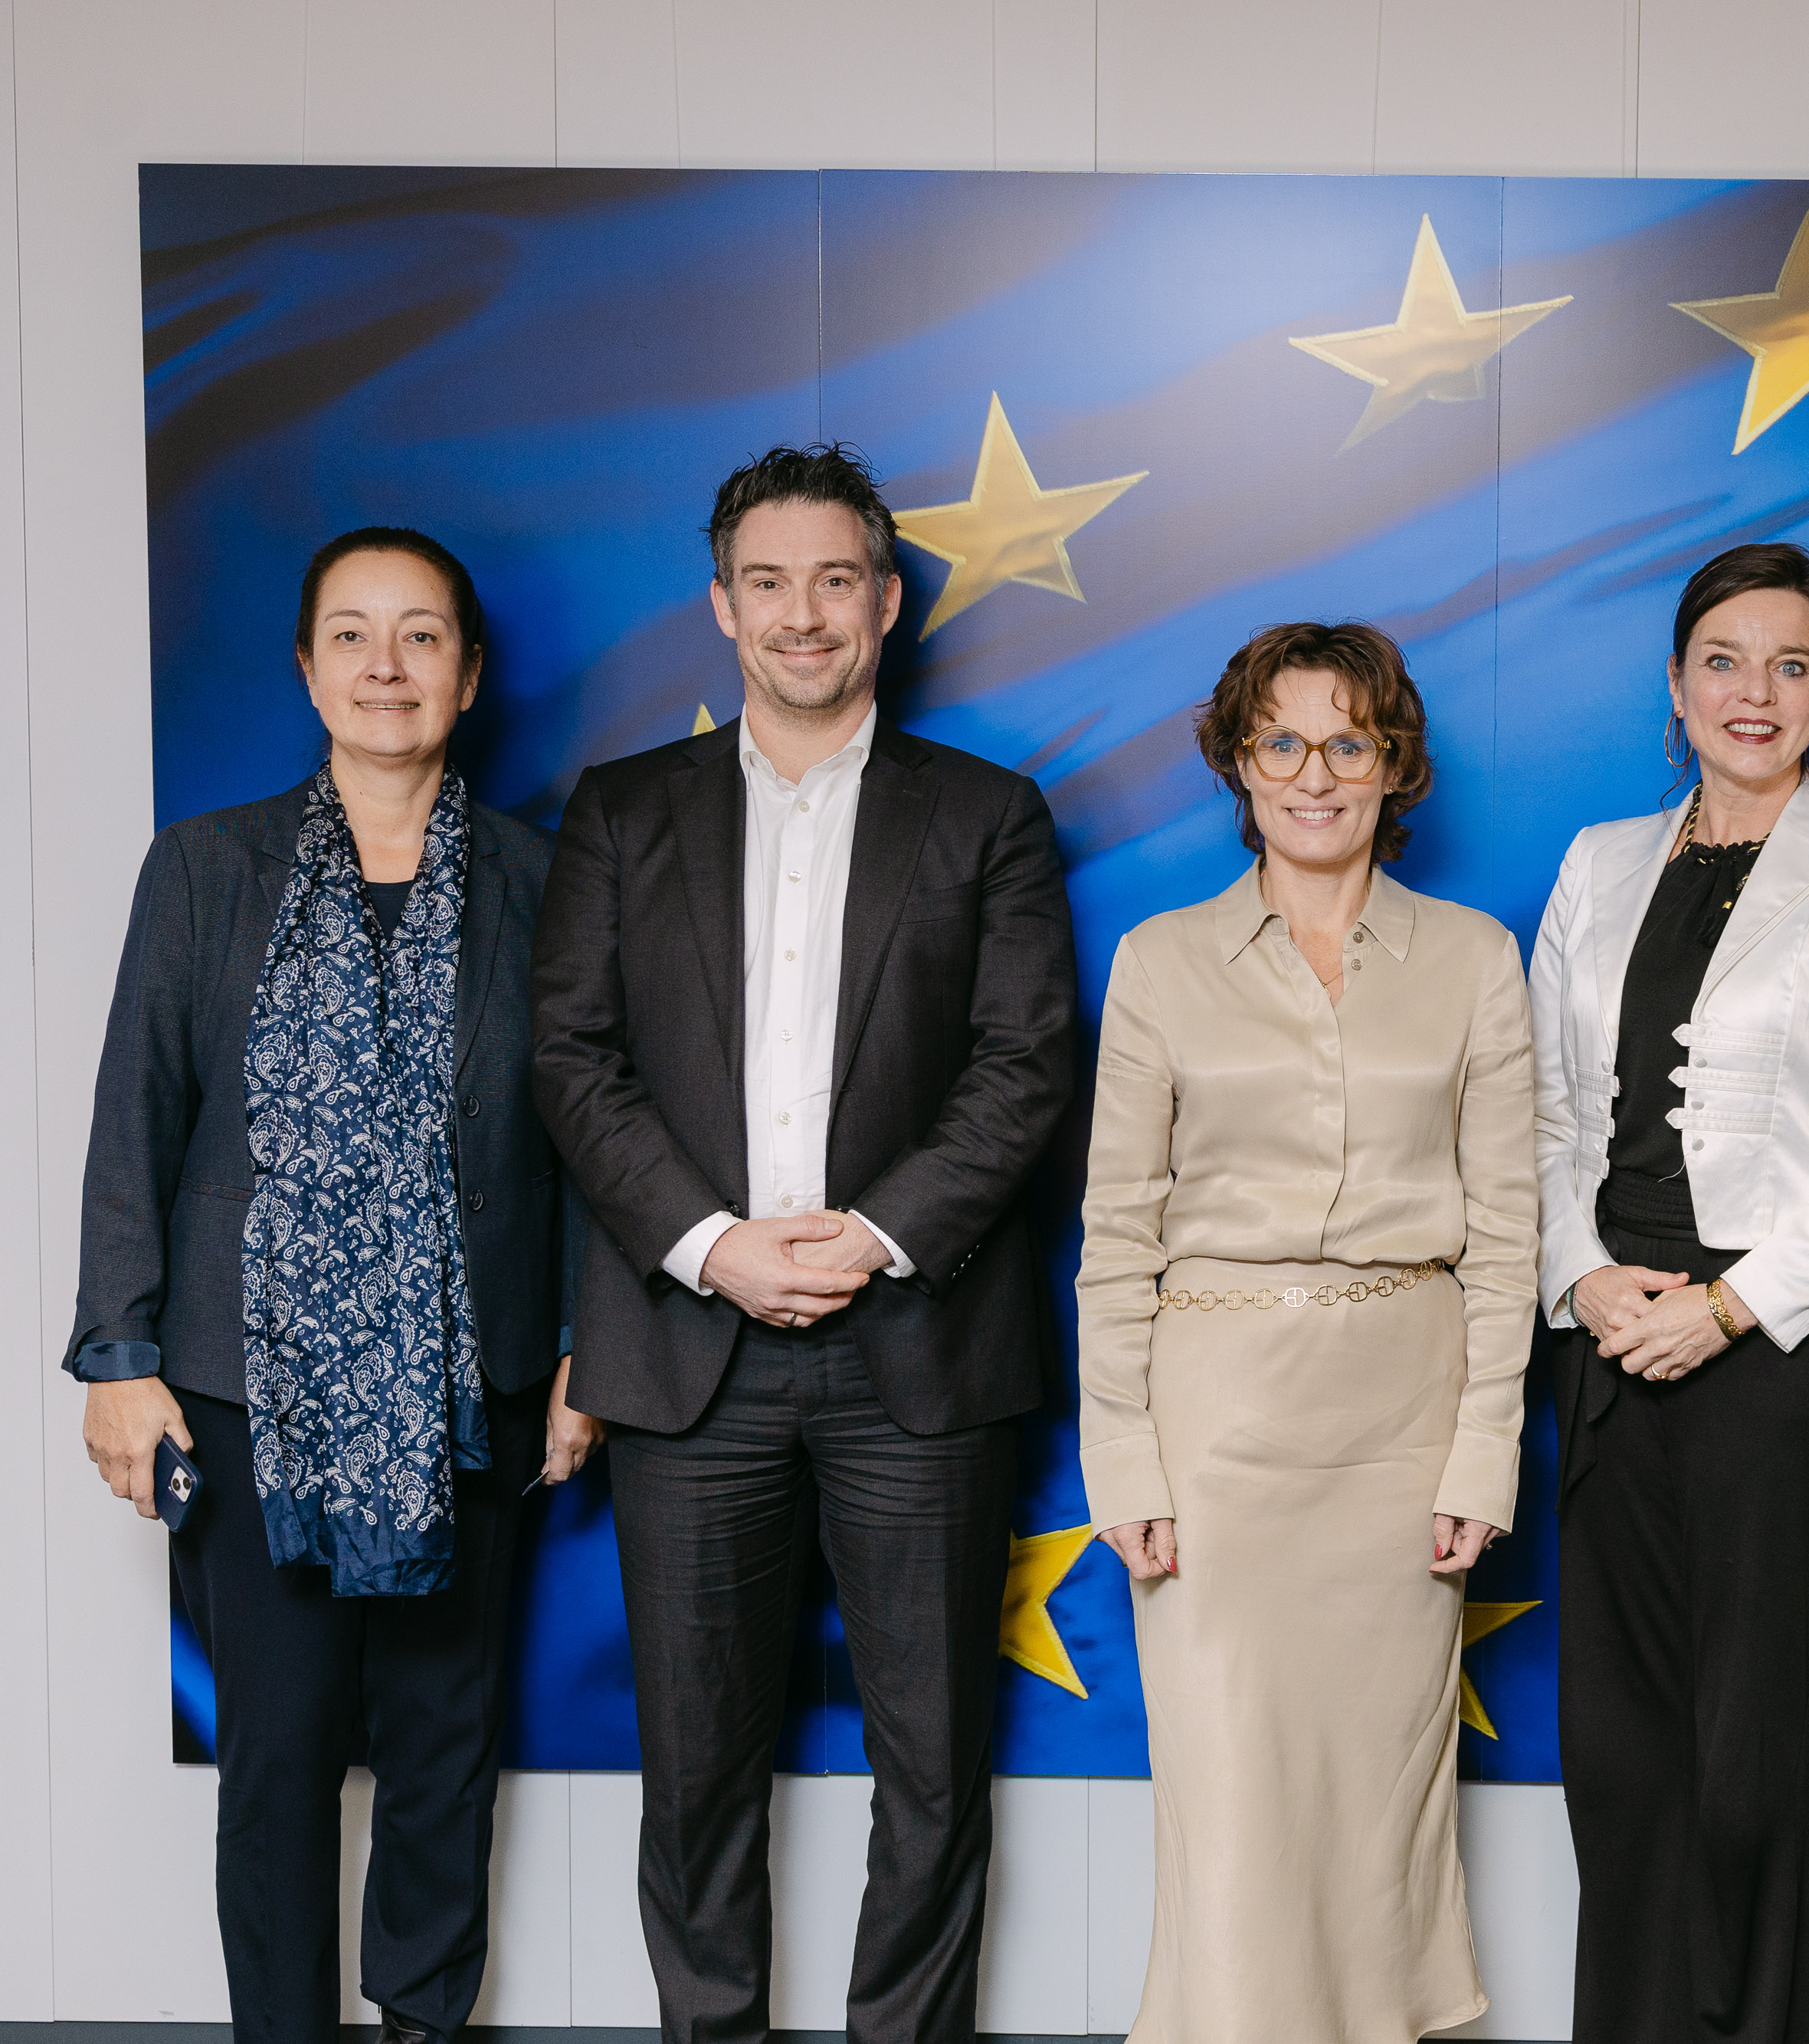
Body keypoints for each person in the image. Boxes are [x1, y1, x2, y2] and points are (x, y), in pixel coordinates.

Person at [531, 446, 1078, 2044]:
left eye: (835, 578)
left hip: (916, 1353)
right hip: (686, 1357)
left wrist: (878, 1233)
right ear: (720, 606)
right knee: (694, 1764)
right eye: (766, 581)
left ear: (888, 601)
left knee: (931, 1759)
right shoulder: (623, 812)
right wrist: (711, 1244)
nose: (801, 612)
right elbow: (569, 1057)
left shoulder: (986, 813)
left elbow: (1024, 1058)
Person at [67, 528, 592, 2044]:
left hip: (467, 1380)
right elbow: (134, 1120)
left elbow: (580, 1143)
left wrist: (576, 1353)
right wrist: (118, 1355)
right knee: (279, 1752)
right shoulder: (205, 868)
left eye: (420, 636)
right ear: (306, 669)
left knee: (442, 1742)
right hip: (244, 1386)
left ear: (470, 674)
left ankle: (425, 2016)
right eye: (352, 636)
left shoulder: (550, 886)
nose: (385, 665)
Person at [1076, 621, 1536, 2044]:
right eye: (1283, 741)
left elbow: (1510, 1237)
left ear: (1395, 765)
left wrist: (1483, 1456)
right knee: (1231, 1812)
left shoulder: (1475, 958)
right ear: (1238, 759)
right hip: (1217, 1444)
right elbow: (1116, 1237)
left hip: (1404, 1437)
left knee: (1375, 1813)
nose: (1316, 773)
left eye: (1350, 742)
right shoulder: (1161, 962)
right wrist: (1127, 1468)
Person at [1531, 541, 1809, 2044]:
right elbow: (1539, 1120)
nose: (1752, 691)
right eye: (1723, 657)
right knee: (1618, 1756)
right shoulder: (1594, 865)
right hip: (1603, 1344)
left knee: (1741, 1766)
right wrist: (1584, 1282)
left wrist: (1721, 1307)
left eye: (1787, 662)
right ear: (1674, 681)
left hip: (1774, 1358)